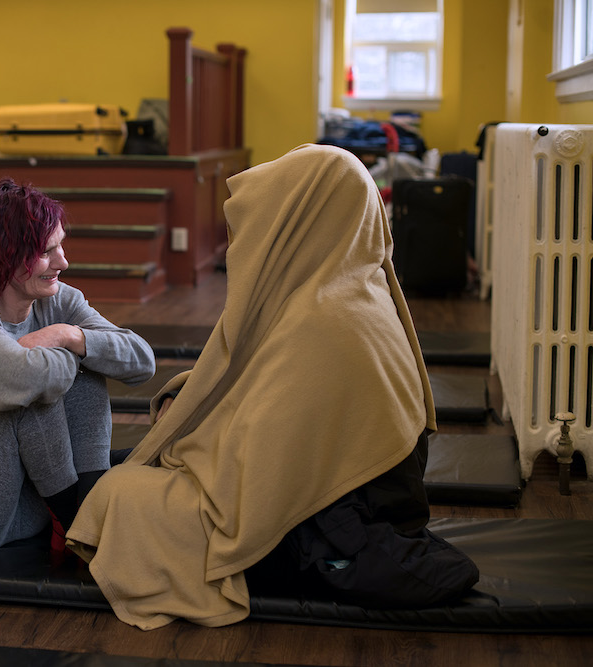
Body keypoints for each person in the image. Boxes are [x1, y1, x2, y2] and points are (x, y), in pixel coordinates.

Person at [67, 144, 479, 630]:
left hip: (320, 525)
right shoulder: (353, 289)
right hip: (352, 505)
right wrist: (189, 402)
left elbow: (261, 466)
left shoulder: (323, 318)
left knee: (122, 492)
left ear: (296, 221)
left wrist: (188, 444)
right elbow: (266, 397)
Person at [0, 178, 156, 553]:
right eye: (46, 251)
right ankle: (82, 526)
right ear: (5, 256)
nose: (63, 262)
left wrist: (67, 336)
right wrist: (70, 351)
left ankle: (87, 514)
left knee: (84, 366)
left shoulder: (60, 303)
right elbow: (25, 378)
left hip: (32, 505)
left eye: (61, 246)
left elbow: (141, 360)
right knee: (26, 389)